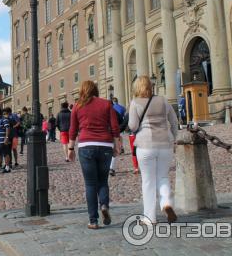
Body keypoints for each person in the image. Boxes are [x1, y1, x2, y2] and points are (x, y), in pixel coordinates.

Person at [68, 81, 121, 229]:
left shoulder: (77, 106)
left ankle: (93, 220)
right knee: (103, 181)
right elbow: (114, 126)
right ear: (95, 90)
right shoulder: (106, 104)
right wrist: (117, 144)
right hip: (105, 145)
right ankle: (104, 205)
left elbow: (73, 129)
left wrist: (70, 149)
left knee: (90, 184)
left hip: (86, 146)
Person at [128, 75, 179, 225]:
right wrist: (173, 137)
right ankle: (166, 203)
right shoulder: (163, 100)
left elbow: (132, 126)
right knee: (163, 176)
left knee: (148, 181)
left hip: (145, 145)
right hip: (165, 143)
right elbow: (174, 121)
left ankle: (150, 217)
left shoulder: (135, 103)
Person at [109, 97, 126, 176]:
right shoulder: (116, 112)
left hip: (106, 134)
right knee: (115, 150)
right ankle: (112, 168)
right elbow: (122, 122)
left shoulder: (102, 112)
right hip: (115, 133)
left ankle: (109, 167)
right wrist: (119, 129)